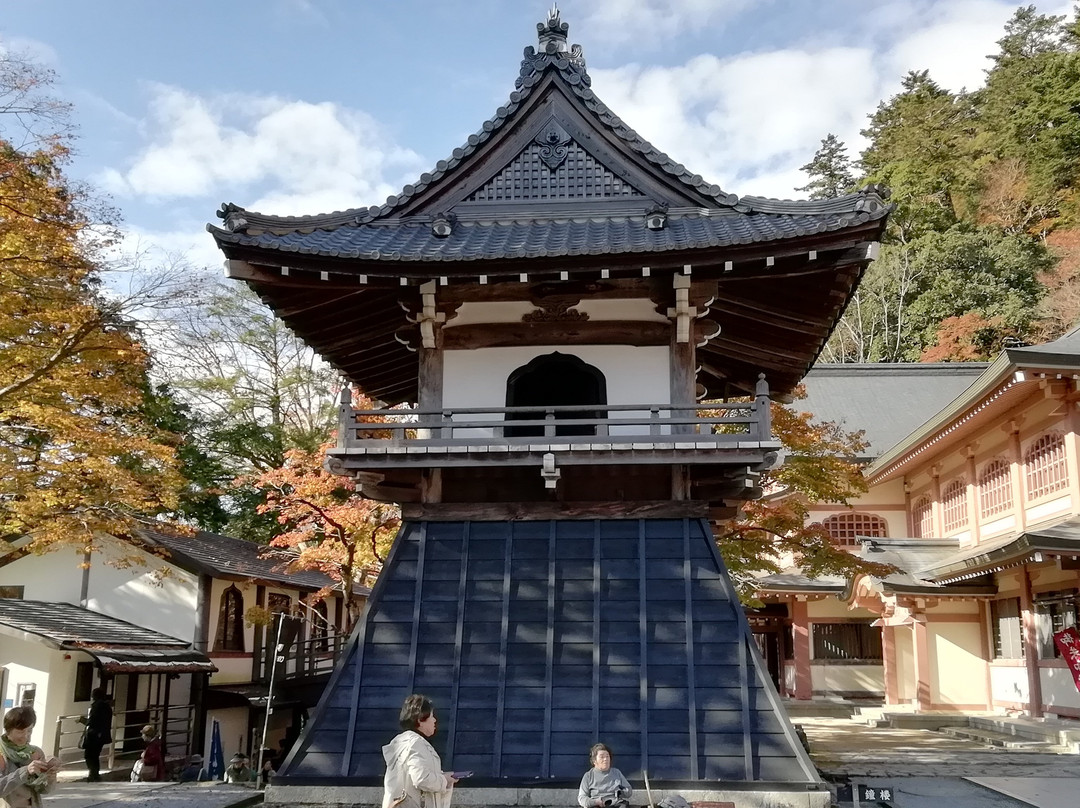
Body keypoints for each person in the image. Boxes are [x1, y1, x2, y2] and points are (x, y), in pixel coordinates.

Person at [381, 694, 458, 808]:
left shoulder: (404, 743)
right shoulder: (416, 744)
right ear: (420, 720)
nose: (435, 720)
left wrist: (441, 776)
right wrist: (444, 780)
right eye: (431, 716)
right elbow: (421, 779)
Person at [0, 706, 61, 808]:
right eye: (20, 732)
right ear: (8, 730)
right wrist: (25, 772)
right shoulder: (1, 754)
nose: (26, 736)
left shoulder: (35, 752)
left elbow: (43, 790)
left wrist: (50, 777)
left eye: (29, 731)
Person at [577, 743, 631, 808]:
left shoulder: (616, 772)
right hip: (597, 804)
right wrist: (595, 802)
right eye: (602, 757)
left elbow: (629, 790)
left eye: (607, 756)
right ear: (594, 761)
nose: (605, 759)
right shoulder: (588, 776)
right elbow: (582, 798)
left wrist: (621, 792)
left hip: (616, 804)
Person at [77, 687, 112, 782]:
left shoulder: (96, 706)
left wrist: (82, 720)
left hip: (94, 735)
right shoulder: (107, 707)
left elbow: (92, 721)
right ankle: (95, 774)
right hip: (102, 735)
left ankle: (93, 774)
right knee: (95, 755)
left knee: (89, 755)